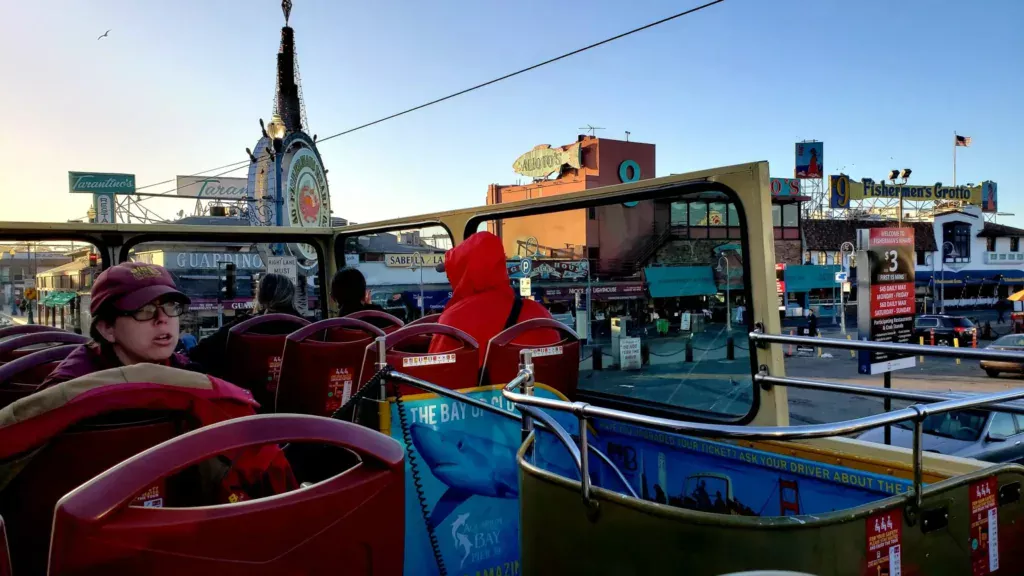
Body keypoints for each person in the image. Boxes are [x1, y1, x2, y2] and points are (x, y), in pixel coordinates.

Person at [43, 262, 199, 386]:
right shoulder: (69, 389)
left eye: (170, 306)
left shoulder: (189, 373)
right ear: (107, 328)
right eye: (144, 310)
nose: (162, 318)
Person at [428, 231, 558, 366]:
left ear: (463, 275)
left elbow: (436, 375)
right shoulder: (541, 315)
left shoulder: (453, 321)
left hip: (488, 387)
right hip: (540, 386)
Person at [189, 273, 301, 379]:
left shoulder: (243, 326)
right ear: (291, 296)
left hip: (245, 396)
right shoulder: (309, 328)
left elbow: (199, 353)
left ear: (260, 296)